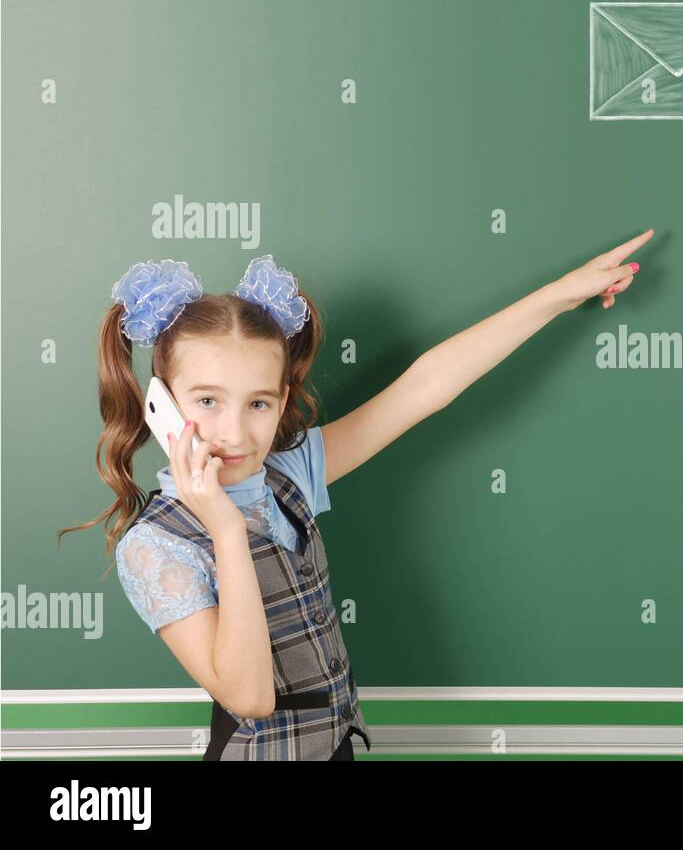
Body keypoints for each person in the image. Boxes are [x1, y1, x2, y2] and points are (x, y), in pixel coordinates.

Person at [57, 231, 651, 759]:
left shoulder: (288, 476)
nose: (235, 433)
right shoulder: (156, 546)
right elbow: (250, 697)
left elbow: (424, 388)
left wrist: (559, 295)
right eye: (208, 401)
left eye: (258, 403)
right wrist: (227, 527)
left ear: (281, 405)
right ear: (161, 406)